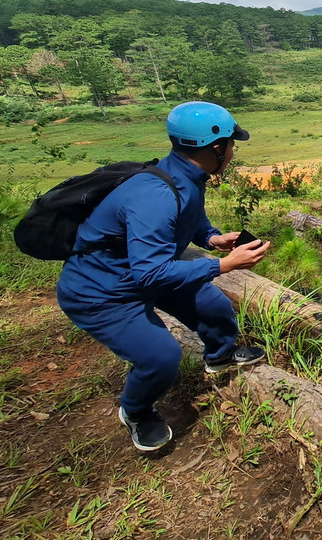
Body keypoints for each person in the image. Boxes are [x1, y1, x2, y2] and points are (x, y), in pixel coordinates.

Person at [56, 101, 271, 452]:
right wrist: (222, 265)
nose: (233, 150)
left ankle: (219, 356)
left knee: (213, 305)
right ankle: (136, 411)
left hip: (144, 272)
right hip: (102, 292)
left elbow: (190, 217)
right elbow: (151, 273)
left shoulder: (184, 174)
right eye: (233, 144)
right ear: (216, 148)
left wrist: (211, 238)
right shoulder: (154, 195)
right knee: (161, 358)